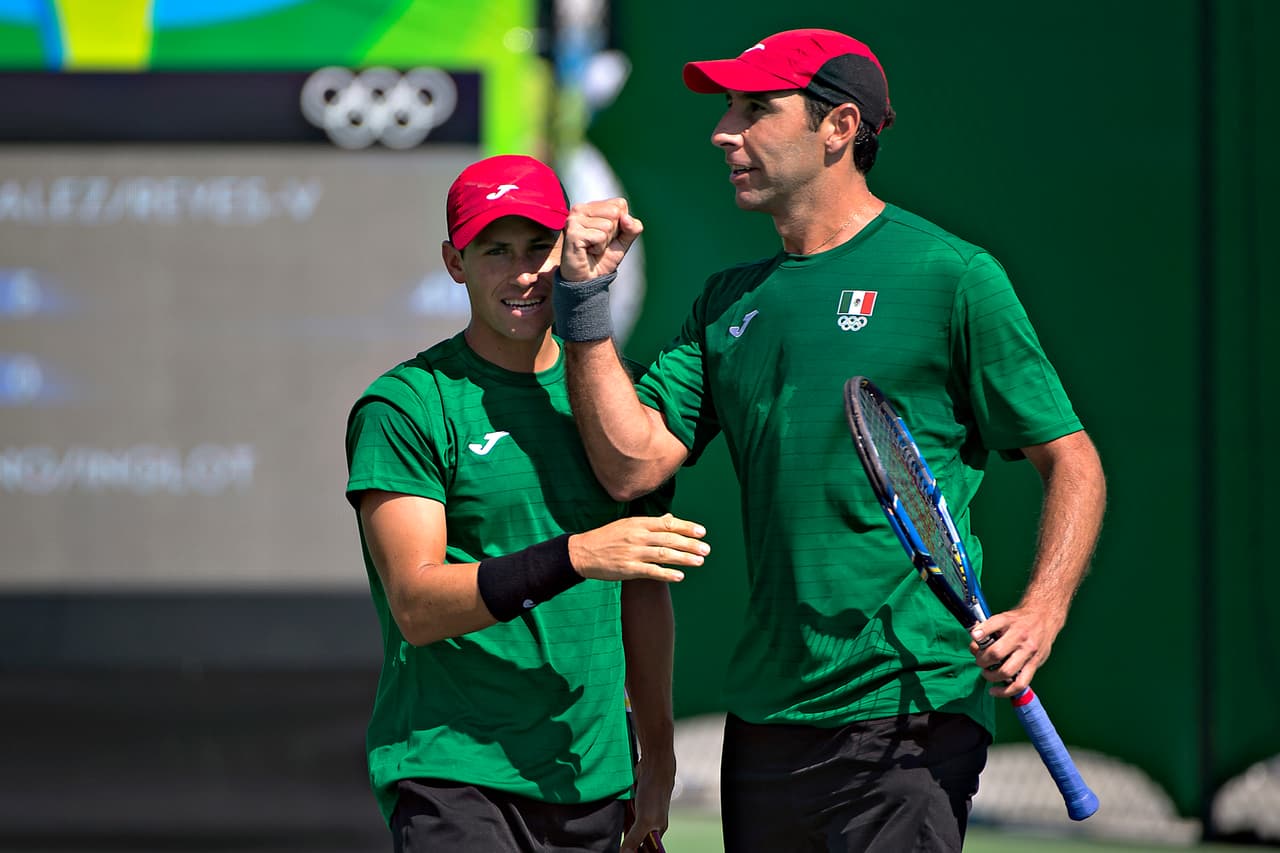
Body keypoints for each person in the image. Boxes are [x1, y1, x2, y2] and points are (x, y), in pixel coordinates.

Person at [552, 28, 1107, 853]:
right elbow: (633, 463)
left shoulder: (952, 276)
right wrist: (583, 306)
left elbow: (1073, 458)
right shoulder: (726, 305)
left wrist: (1044, 609)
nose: (724, 132)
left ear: (840, 127)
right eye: (726, 109)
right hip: (769, 719)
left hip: (909, 715)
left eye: (755, 108)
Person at [344, 153, 707, 853]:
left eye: (540, 247)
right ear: (455, 262)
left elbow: (642, 592)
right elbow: (417, 607)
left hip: (593, 777)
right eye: (495, 250)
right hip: (455, 772)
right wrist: (576, 555)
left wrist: (655, 756)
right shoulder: (407, 404)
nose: (523, 273)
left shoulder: (617, 401)